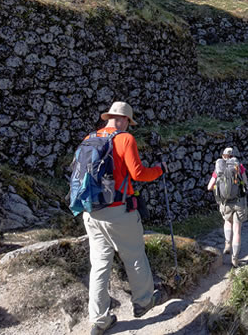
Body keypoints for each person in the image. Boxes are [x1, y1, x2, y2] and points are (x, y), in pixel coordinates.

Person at [83, 101, 165, 335]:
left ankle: (98, 319)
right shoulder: (124, 139)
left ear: (109, 116)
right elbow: (138, 173)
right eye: (129, 122)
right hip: (119, 210)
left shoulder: (90, 138)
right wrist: (159, 169)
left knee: (99, 265)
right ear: (125, 120)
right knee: (134, 255)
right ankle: (143, 301)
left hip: (91, 211)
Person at [207, 147, 248, 267]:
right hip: (239, 202)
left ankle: (227, 244)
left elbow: (209, 187)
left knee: (227, 222)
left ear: (223, 156)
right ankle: (235, 259)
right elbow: (245, 183)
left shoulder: (219, 168)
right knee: (237, 230)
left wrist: (219, 189)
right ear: (234, 156)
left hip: (225, 203)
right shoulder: (239, 166)